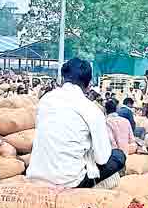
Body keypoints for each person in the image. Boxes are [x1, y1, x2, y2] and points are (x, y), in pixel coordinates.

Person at [27, 58, 126, 189]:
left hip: (36, 176)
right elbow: (102, 158)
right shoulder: (91, 109)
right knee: (118, 156)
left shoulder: (45, 100)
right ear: (88, 84)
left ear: (63, 79)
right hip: (69, 181)